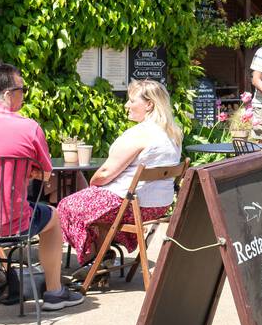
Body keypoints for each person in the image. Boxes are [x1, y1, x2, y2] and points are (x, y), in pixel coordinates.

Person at [0, 63, 85, 310]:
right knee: (52, 217)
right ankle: (54, 292)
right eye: (22, 89)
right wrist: (23, 169)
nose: (24, 94)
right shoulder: (28, 127)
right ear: (9, 94)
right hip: (10, 222)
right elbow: (45, 172)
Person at [57, 79, 183, 269]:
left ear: (149, 104)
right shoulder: (172, 134)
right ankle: (103, 256)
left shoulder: (141, 133)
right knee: (95, 208)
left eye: (132, 101)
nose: (126, 105)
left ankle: (95, 261)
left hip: (130, 205)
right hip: (158, 206)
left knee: (66, 206)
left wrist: (94, 183)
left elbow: (106, 173)